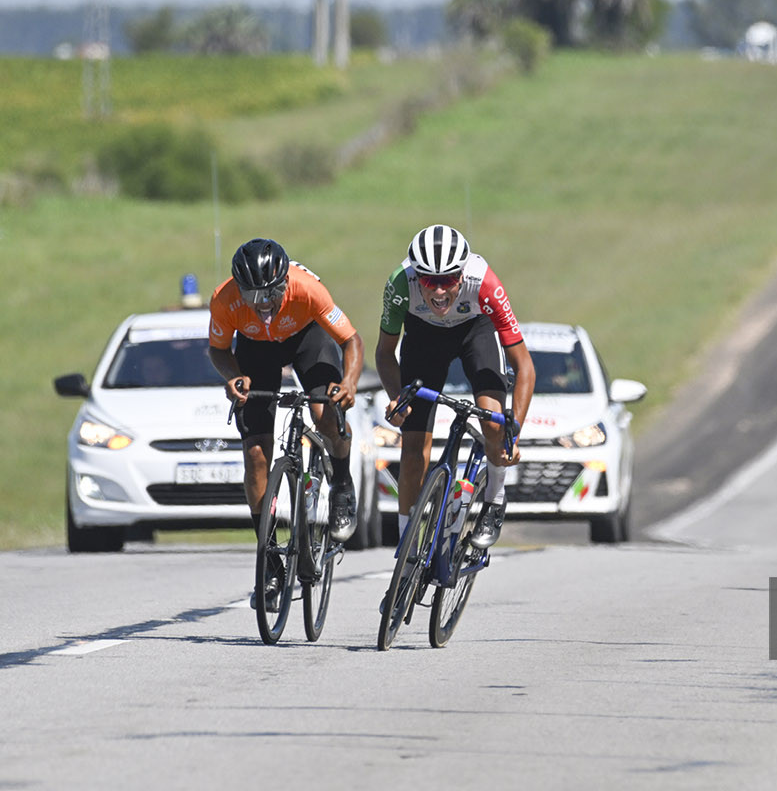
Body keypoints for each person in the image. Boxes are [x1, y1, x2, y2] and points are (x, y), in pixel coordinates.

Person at [375, 224, 535, 548]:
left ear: (462, 275)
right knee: (412, 452)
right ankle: (407, 550)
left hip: (474, 332)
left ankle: (494, 500)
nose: (437, 291)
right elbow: (384, 353)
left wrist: (511, 433)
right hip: (423, 337)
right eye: (429, 281)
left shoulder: (484, 282)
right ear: (416, 276)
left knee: (492, 423)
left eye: (447, 280)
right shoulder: (399, 283)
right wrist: (397, 399)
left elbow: (525, 367)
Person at [208, 237, 364, 551]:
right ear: (239, 289)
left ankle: (342, 485)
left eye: (271, 293)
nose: (263, 303)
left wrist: (348, 383)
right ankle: (268, 556)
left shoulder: (308, 290)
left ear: (285, 283)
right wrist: (235, 376)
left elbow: (351, 341)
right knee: (255, 455)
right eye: (252, 295)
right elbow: (219, 350)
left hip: (308, 339)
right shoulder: (224, 300)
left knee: (326, 415)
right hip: (256, 350)